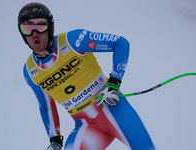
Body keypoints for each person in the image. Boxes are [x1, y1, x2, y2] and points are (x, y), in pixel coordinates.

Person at [18, 2, 156, 150]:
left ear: (50, 27)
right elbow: (46, 107)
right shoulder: (30, 71)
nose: (34, 33)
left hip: (114, 110)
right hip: (86, 125)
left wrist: (114, 83)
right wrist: (55, 140)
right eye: (27, 28)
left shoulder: (74, 40)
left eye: (40, 25)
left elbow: (120, 43)